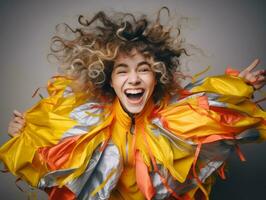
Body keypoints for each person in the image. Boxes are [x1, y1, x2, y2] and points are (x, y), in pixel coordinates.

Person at [1, 8, 266, 200]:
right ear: (110, 81)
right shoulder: (83, 120)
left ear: (157, 76)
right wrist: (23, 137)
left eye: (143, 69)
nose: (134, 79)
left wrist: (240, 87)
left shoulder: (177, 115)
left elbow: (213, 105)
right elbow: (52, 170)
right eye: (122, 71)